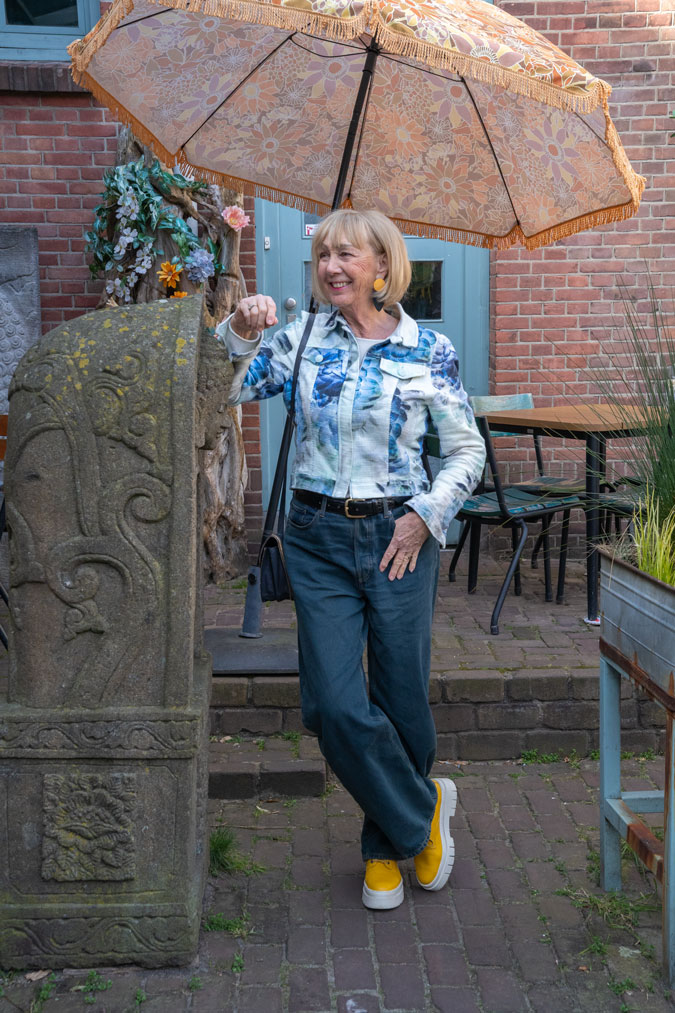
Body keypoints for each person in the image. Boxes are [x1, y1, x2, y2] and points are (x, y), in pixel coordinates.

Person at [217, 209, 485, 910]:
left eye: (347, 254)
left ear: (382, 265)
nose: (331, 267)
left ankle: (384, 850)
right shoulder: (300, 339)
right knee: (333, 705)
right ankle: (422, 809)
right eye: (324, 255)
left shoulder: (427, 349)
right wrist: (239, 329)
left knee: (400, 697)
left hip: (400, 536)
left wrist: (425, 517)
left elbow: (467, 451)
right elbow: (227, 387)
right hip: (316, 536)